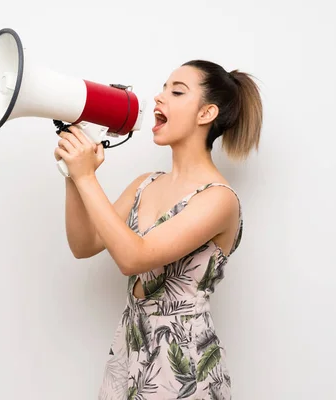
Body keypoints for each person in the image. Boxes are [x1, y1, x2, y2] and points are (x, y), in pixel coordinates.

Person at [54, 60, 263, 400]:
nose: (158, 97)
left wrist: (86, 177)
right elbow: (84, 243)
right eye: (163, 88)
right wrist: (71, 173)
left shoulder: (218, 199)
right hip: (129, 350)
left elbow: (133, 258)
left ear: (206, 113)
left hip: (183, 365)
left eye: (177, 91)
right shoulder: (144, 184)